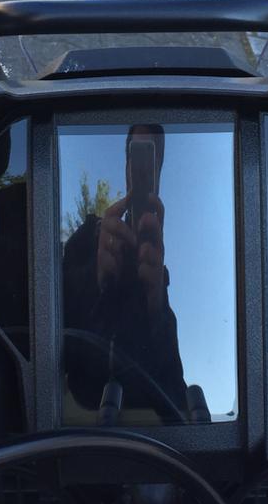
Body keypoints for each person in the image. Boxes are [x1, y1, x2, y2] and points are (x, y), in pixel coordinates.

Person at [61, 124, 188, 422]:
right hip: (78, 420)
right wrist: (96, 278)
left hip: (145, 430)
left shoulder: (158, 273)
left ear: (159, 172)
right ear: (126, 165)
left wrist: (156, 309)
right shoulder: (88, 236)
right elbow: (49, 319)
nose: (142, 168)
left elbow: (176, 397)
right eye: (136, 154)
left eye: (152, 157)